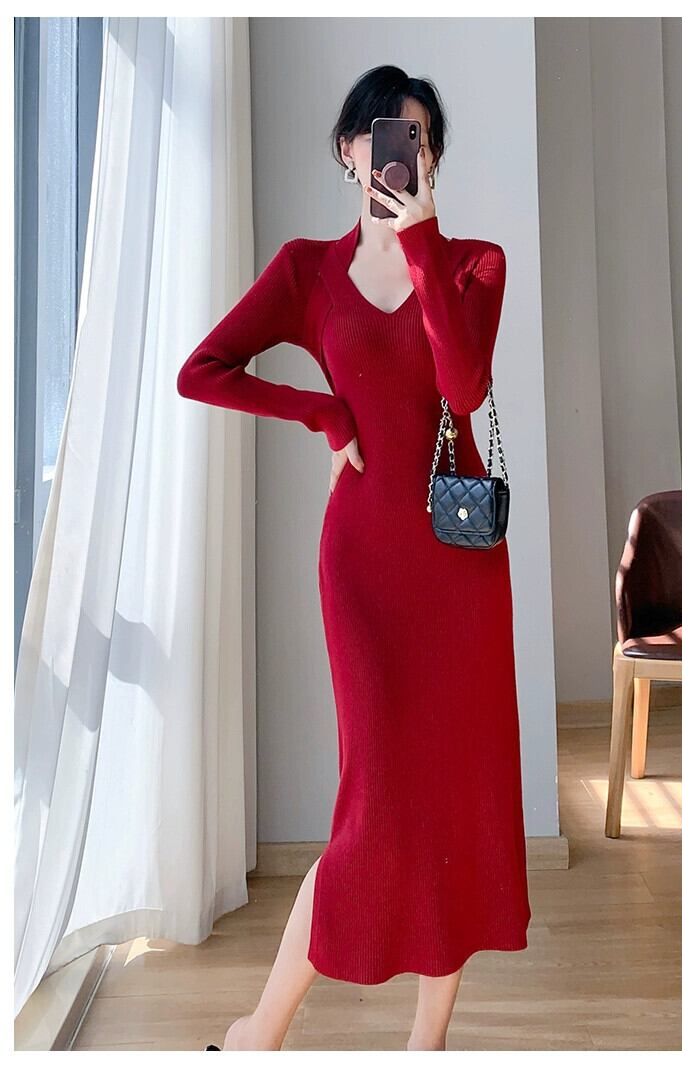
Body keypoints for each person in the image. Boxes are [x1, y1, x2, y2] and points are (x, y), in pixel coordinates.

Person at [177, 64, 531, 1052]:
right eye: (381, 136)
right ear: (347, 149)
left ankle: (425, 1045)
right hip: (364, 568)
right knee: (370, 808)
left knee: (452, 804)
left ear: (433, 159)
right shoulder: (305, 272)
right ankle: (259, 1031)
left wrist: (420, 241)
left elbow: (462, 389)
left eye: (416, 139)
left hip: (458, 572)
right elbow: (201, 371)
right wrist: (323, 412)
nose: (397, 155)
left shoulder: (474, 264)